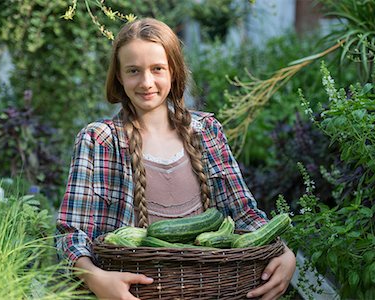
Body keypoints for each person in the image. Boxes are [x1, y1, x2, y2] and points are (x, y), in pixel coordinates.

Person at [56, 17, 296, 300]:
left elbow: (243, 212)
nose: (146, 82)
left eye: (157, 69)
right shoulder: (98, 140)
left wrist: (286, 253)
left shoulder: (207, 131)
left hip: (212, 292)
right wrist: (96, 279)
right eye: (133, 70)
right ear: (119, 76)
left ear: (174, 72)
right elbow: (70, 234)